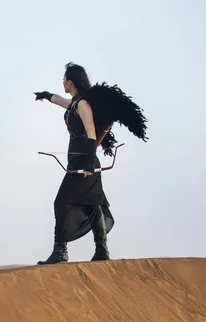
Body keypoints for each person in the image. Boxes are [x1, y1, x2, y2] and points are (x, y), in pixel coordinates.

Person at [34, 62, 148, 264]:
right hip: (79, 162)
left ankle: (60, 251)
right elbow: (59, 100)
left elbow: (91, 134)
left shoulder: (83, 105)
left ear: (70, 82)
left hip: (85, 164)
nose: (62, 82)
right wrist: (45, 95)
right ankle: (102, 250)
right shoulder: (74, 104)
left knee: (61, 202)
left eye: (64, 79)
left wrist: (87, 163)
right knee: (92, 206)